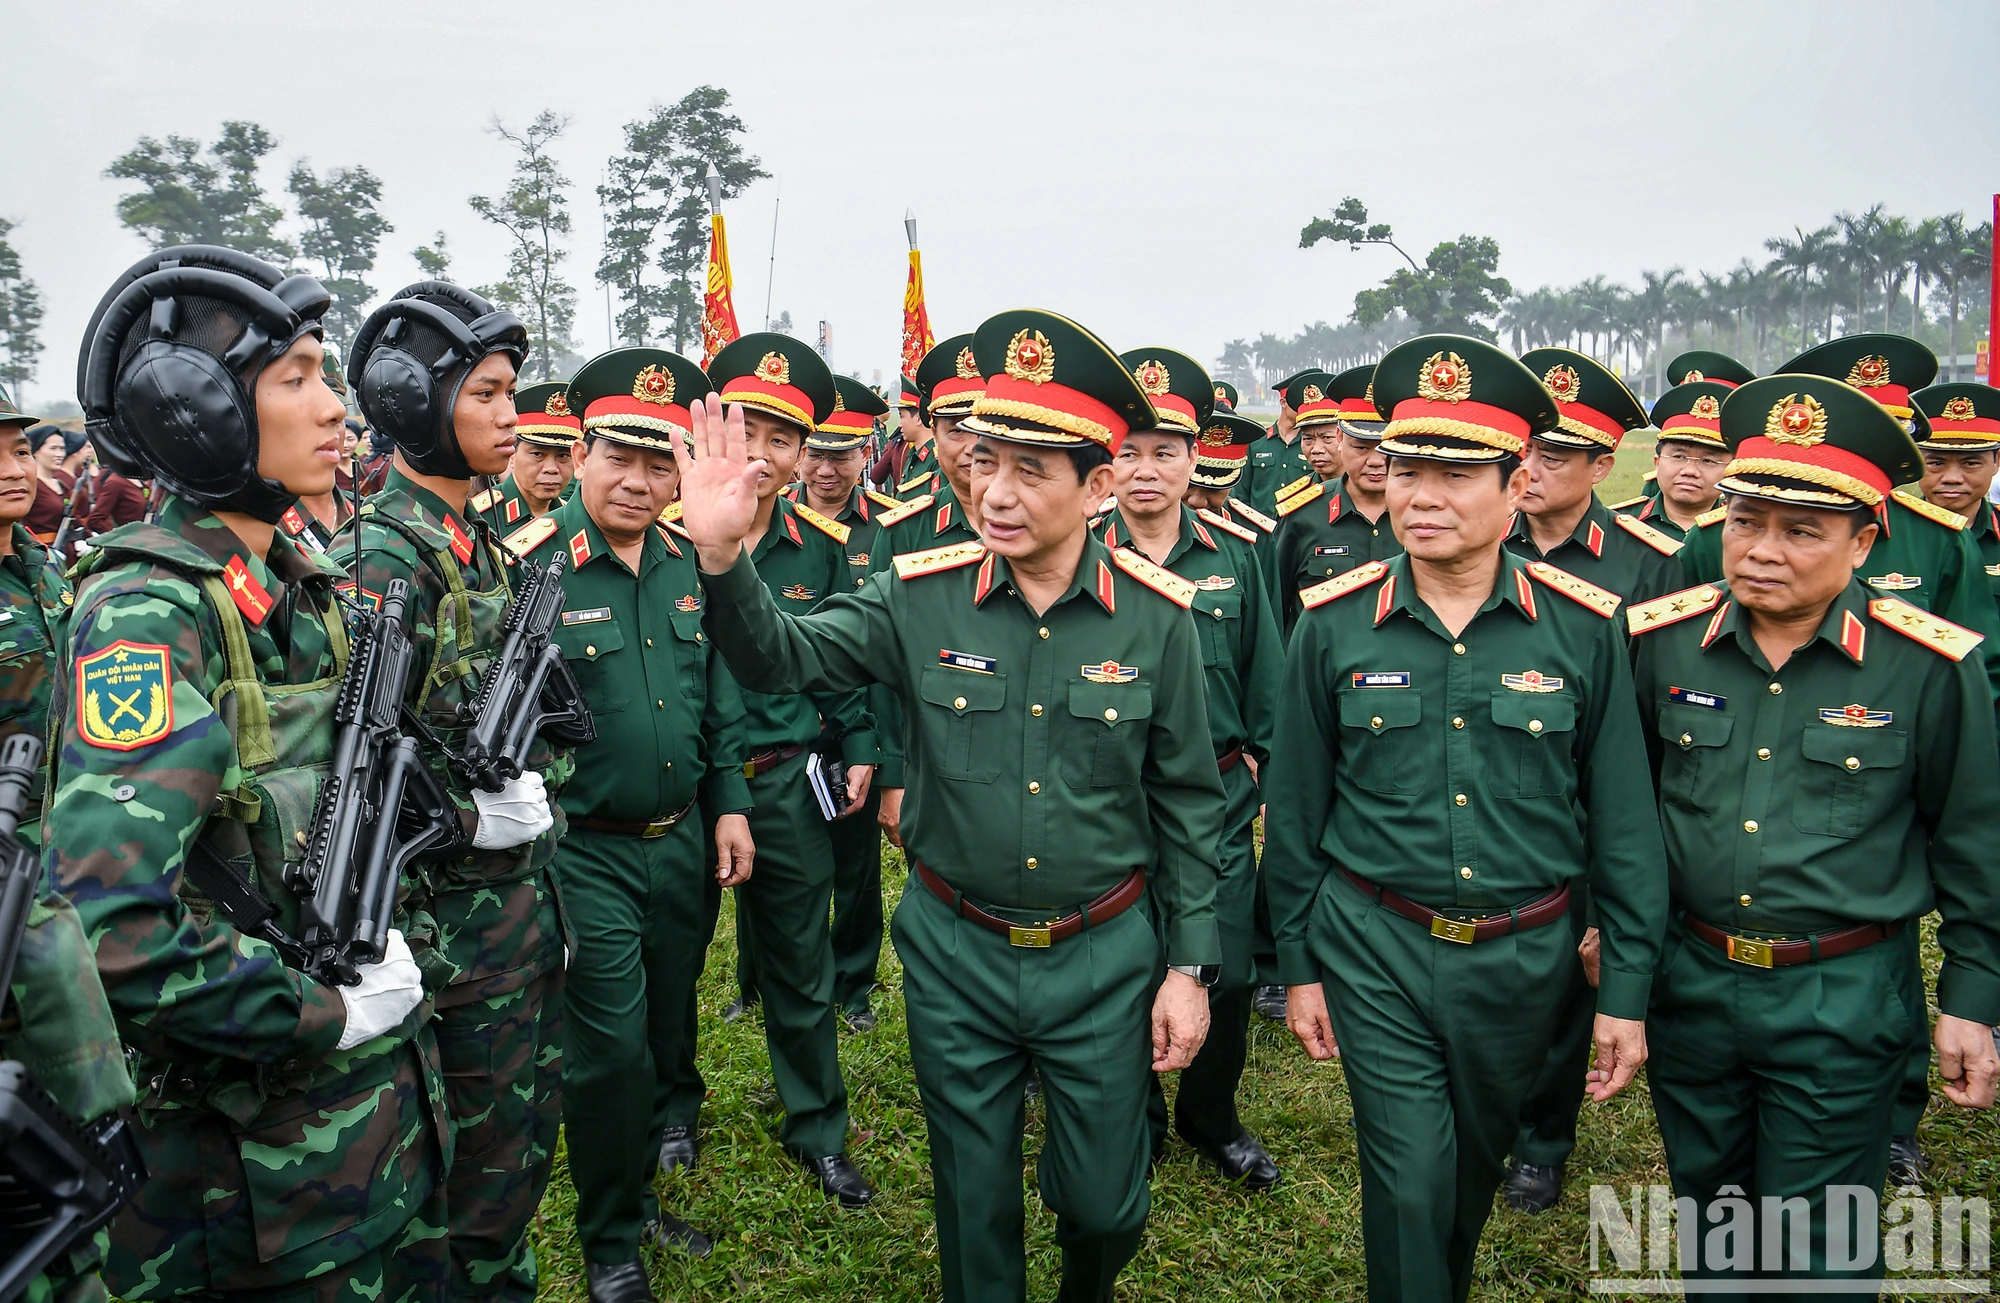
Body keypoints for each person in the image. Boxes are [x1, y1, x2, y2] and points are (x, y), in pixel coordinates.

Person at [679, 307, 1223, 1303]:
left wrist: (1188, 965)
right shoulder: (912, 596)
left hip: (1102, 955)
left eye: (1030, 471)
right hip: (954, 948)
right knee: (974, 1203)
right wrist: (723, 560)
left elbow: (1189, 799)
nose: (995, 493)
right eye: (983, 462)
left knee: (1105, 1206)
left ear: (1097, 487)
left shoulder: (1157, 620)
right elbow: (782, 658)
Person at [52, 245, 443, 1299]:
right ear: (201, 413)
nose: (335, 408)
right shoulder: (149, 615)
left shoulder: (289, 584)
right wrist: (317, 1012)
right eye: (298, 376)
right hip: (245, 1182)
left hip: (351, 1143)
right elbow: (112, 926)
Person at [1266, 335, 1666, 1303]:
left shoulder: (1580, 627)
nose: (1420, 496)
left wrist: (1625, 985)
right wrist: (1298, 963)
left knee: (1468, 1170)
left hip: (1523, 956)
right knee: (1405, 1177)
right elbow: (1296, 809)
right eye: (1405, 469)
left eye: (1453, 473)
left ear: (1515, 480)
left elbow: (1619, 811)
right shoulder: (1331, 621)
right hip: (1375, 940)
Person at [1626, 373, 2000, 1293]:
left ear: (1865, 538)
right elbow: (1625, 811)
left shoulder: (1928, 665)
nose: (1762, 550)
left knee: (1818, 1249)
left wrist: (1972, 995)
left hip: (1842, 992)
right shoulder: (1662, 642)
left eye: (1802, 530)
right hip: (1695, 985)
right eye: (1746, 520)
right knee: (1712, 1218)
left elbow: (1973, 841)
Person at [503, 348, 753, 1303]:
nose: (641, 483)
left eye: (662, 464)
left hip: (681, 839)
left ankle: (643, 1190)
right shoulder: (532, 572)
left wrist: (729, 800)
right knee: (607, 1046)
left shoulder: (692, 562)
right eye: (620, 457)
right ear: (579, 450)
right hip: (584, 850)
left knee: (666, 1016)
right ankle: (611, 1239)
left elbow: (716, 698)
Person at [344, 281, 566, 1301]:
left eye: (509, 391)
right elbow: (362, 757)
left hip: (508, 915)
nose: (511, 416)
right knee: (471, 1178)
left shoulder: (467, 535)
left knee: (515, 1148)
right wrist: (474, 812)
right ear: (413, 405)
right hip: (448, 934)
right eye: (486, 393)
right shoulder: (387, 557)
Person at [1497, 346, 1682, 1215]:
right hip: (1492, 787)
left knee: (1573, 974)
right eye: (1524, 452)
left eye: (1557, 456)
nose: (1530, 470)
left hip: (1590, 796)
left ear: (1605, 465)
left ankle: (1542, 1140)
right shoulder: (1470, 528)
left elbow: (1654, 706)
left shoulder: (1648, 563)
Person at [701, 332, 879, 1206]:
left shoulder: (823, 545)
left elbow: (845, 663)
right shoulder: (674, 538)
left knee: (803, 963)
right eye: (748, 432)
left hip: (785, 777)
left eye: (783, 440)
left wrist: (863, 749)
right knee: (668, 966)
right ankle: (668, 1113)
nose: (764, 457)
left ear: (806, 454)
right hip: (692, 780)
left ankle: (817, 1126)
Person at [1109, 347, 1285, 1189]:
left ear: (1193, 460)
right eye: (1129, 450)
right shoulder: (1073, 555)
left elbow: (1267, 691)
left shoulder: (1234, 558)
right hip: (1110, 802)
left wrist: (1275, 791)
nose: (1146, 470)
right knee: (1121, 968)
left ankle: (1212, 1116)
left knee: (1232, 967)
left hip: (1215, 799)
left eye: (1164, 451)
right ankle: (1129, 1119)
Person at [790, 374, 894, 1030]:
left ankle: (854, 985)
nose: (828, 468)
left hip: (858, 722)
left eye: (843, 453)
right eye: (816, 453)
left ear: (866, 453)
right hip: (785, 726)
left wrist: (874, 739)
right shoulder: (766, 520)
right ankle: (758, 978)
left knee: (856, 868)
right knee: (773, 864)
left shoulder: (887, 526)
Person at [1269, 365, 1398, 635]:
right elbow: (1274, 613)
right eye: (1361, 447)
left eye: (1386, 448)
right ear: (1341, 438)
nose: (1375, 461)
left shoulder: (1422, 515)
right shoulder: (1303, 515)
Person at [1911, 382, 2000, 614]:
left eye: (1970, 463)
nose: (1952, 478)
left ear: (1996, 462)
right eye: (1936, 463)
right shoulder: (1879, 538)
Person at [1608, 381, 1733, 539]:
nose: (1690, 471)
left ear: (1730, 472)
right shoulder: (1617, 525)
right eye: (1679, 457)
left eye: (1708, 461)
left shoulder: (1740, 531)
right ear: (1657, 463)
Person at [471, 382, 578, 532]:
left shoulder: (574, 519)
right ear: (512, 456)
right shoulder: (477, 515)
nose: (551, 469)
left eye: (563, 456)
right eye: (538, 454)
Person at [1245, 369, 1316, 517]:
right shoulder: (1256, 442)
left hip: (1298, 531)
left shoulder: (1312, 445)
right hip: (1260, 532)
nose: (1304, 408)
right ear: (1283, 402)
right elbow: (1241, 494)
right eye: (1298, 403)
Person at [872, 371, 940, 500]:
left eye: (902, 416)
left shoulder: (935, 459)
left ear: (919, 418)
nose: (899, 424)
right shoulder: (914, 454)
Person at [24, 423, 73, 540]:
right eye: (53, 448)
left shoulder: (61, 485)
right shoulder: (30, 485)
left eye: (62, 449)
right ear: (35, 451)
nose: (60, 454)